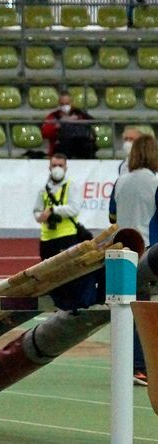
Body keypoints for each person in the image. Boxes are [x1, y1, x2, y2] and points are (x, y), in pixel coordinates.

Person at [111, 135, 158, 385]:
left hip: (121, 251)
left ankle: (130, 364)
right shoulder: (155, 182)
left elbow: (111, 216)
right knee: (144, 310)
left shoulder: (120, 181)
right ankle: (140, 366)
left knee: (126, 311)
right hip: (148, 251)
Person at [33, 153, 96, 309]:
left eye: (60, 165)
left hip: (66, 237)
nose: (57, 168)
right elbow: (36, 211)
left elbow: (74, 208)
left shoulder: (71, 186)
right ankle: (55, 303)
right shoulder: (43, 189)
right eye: (54, 165)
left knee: (68, 273)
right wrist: (41, 216)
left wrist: (53, 210)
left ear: (66, 167)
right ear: (49, 167)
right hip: (47, 238)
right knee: (48, 273)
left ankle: (71, 304)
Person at [41, 91, 95, 159]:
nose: (65, 106)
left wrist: (78, 120)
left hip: (81, 149)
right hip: (60, 150)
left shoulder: (80, 114)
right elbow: (45, 133)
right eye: (62, 104)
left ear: (71, 102)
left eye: (67, 103)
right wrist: (59, 123)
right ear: (59, 104)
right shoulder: (53, 116)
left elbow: (93, 122)